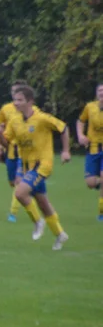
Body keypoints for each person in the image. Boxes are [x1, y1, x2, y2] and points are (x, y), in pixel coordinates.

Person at [3, 84, 71, 250]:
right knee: (43, 203)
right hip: (27, 167)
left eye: (19, 100)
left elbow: (63, 128)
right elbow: (7, 142)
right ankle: (60, 235)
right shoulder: (14, 121)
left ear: (30, 101)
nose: (16, 103)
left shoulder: (42, 119)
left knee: (20, 193)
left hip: (42, 165)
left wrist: (66, 151)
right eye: (14, 100)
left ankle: (38, 222)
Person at [0, 81, 34, 222]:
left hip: (25, 151)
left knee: (18, 181)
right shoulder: (6, 109)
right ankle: (27, 194)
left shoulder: (32, 110)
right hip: (10, 150)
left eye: (17, 92)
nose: (14, 95)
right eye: (13, 92)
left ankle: (13, 213)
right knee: (12, 182)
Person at [75, 82, 103, 222]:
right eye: (100, 90)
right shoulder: (90, 107)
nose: (102, 93)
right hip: (92, 149)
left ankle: (101, 213)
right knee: (91, 183)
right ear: (97, 93)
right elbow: (80, 121)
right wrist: (80, 135)